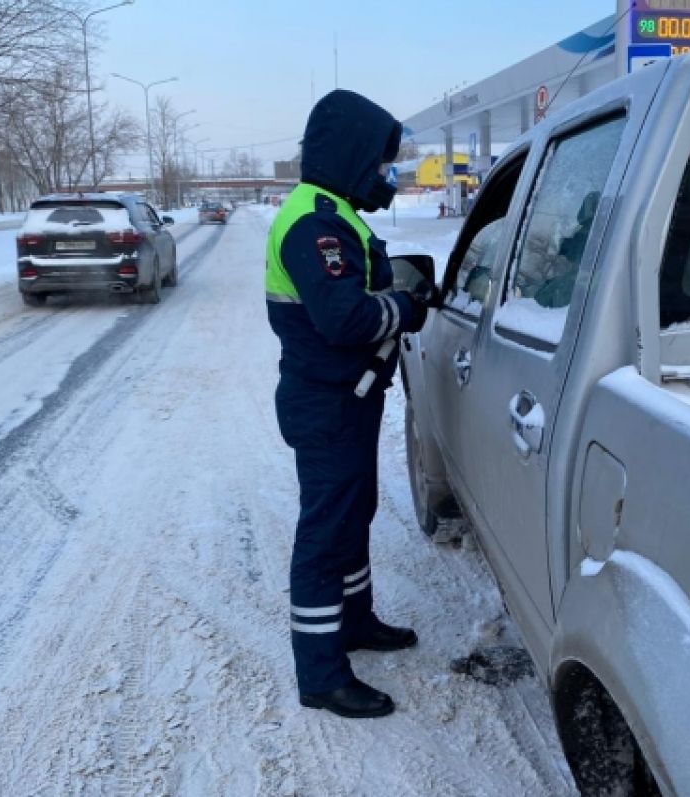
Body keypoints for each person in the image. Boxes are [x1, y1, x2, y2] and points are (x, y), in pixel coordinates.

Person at [265, 89, 430, 719]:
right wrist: (406, 308)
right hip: (326, 405)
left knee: (354, 511)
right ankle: (321, 671)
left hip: (349, 400)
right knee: (325, 532)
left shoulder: (333, 211)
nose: (388, 175)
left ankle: (355, 620)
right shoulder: (313, 223)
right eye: (383, 163)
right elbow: (343, 318)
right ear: (354, 156)